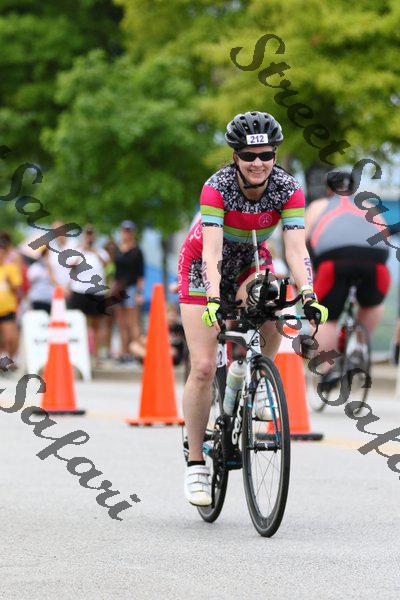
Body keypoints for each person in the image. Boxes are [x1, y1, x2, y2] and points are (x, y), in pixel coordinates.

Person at [178, 110, 328, 506]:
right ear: (235, 157)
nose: (258, 163)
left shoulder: (287, 188)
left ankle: (259, 377)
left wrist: (309, 293)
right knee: (203, 366)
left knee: (274, 297)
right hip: (202, 266)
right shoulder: (217, 187)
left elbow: (295, 249)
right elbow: (211, 252)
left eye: (266, 155)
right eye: (248, 156)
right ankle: (195, 462)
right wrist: (214, 298)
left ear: (275, 155)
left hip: (249, 262)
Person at [305, 171, 390, 384]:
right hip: (376, 260)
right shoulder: (368, 205)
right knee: (372, 304)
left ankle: (328, 368)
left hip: (334, 260)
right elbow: (385, 235)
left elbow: (304, 241)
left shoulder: (319, 205)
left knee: (326, 316)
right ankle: (358, 346)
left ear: (329, 189)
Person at [68, 225, 109, 363]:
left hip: (97, 292)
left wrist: (94, 251)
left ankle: (96, 355)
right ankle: (80, 355)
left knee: (96, 324)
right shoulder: (77, 251)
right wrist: (83, 250)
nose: (90, 237)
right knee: (79, 324)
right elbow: (71, 265)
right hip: (79, 291)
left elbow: (106, 264)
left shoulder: (101, 252)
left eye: (91, 234)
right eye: (87, 234)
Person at [114, 221, 145, 363]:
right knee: (121, 323)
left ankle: (137, 352)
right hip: (119, 288)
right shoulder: (117, 249)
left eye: (129, 230)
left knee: (133, 323)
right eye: (124, 230)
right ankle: (124, 352)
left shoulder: (137, 251)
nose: (126, 233)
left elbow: (141, 275)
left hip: (131, 288)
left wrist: (139, 292)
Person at [0, 237, 23, 363]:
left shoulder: (11, 268)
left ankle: (10, 360)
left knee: (10, 338)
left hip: (7, 309)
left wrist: (10, 282)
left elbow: (17, 288)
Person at [27, 246, 56, 313]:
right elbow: (30, 280)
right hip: (37, 299)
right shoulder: (35, 267)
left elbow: (54, 281)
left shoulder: (51, 267)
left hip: (49, 299)